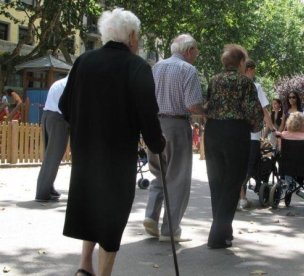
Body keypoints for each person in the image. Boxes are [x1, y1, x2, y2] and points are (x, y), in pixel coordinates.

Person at [58, 8, 165, 276]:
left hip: (85, 150)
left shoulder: (84, 61)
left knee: (91, 204)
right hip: (118, 154)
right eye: (137, 36)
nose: (138, 42)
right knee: (112, 213)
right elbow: (147, 114)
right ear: (130, 36)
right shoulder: (137, 66)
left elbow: (64, 105)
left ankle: (84, 267)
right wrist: (158, 144)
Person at [143, 33, 204, 243]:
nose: (196, 55)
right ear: (188, 51)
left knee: (159, 172)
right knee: (178, 178)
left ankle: (150, 216)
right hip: (177, 125)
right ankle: (170, 230)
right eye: (196, 51)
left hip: (153, 123)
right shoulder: (188, 70)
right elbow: (192, 105)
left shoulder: (156, 67)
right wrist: (208, 111)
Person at [205, 44, 263, 248]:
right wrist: (257, 127)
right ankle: (217, 235)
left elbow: (209, 104)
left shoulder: (214, 79)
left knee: (217, 183)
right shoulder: (245, 82)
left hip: (212, 132)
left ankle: (224, 232)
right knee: (233, 182)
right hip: (235, 133)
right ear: (240, 63)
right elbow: (254, 112)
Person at [238, 59, 275, 209]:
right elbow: (264, 110)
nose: (255, 73)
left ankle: (241, 196)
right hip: (252, 134)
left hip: (236, 133)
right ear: (249, 69)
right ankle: (241, 197)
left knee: (238, 166)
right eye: (254, 70)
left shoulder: (235, 84)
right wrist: (272, 128)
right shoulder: (255, 86)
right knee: (248, 167)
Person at [35, 76, 69, 202]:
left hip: (47, 115)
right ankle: (42, 193)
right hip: (58, 119)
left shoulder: (59, 82)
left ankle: (48, 187)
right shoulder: (70, 84)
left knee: (49, 155)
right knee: (54, 156)